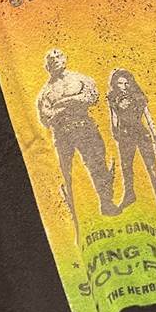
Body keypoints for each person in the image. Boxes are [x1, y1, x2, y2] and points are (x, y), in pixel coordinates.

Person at [37, 49, 118, 226]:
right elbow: (45, 118)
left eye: (58, 57)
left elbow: (92, 96)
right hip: (62, 133)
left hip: (84, 127)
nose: (55, 60)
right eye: (51, 59)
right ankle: (74, 215)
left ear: (65, 59)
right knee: (66, 172)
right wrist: (70, 104)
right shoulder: (45, 92)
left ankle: (107, 203)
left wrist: (65, 102)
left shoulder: (80, 79)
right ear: (47, 67)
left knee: (97, 164)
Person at [107, 69, 156, 223]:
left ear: (131, 83)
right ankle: (129, 195)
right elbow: (114, 117)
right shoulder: (113, 97)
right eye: (120, 83)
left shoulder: (138, 97)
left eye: (126, 83)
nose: (123, 86)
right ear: (115, 84)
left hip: (141, 135)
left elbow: (148, 117)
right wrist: (115, 132)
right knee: (126, 168)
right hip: (125, 136)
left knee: (153, 170)